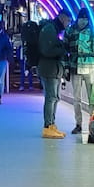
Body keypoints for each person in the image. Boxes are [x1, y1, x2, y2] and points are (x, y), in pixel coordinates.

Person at [65, 6, 94, 134]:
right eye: (82, 18)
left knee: (92, 98)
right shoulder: (70, 32)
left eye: (86, 19)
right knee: (76, 98)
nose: (83, 21)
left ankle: (93, 124)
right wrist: (66, 68)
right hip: (75, 67)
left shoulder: (92, 33)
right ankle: (78, 124)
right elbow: (65, 50)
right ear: (78, 18)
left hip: (89, 68)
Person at [37, 10, 71, 138]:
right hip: (49, 69)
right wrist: (62, 49)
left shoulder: (55, 29)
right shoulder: (50, 29)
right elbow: (47, 50)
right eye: (68, 21)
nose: (68, 24)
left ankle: (52, 124)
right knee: (51, 98)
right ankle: (47, 126)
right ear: (62, 18)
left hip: (55, 69)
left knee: (56, 97)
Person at [19, 16, 40, 90]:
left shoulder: (24, 36)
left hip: (25, 54)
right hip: (31, 54)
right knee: (29, 69)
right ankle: (30, 85)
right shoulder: (35, 37)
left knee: (24, 69)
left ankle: (22, 85)